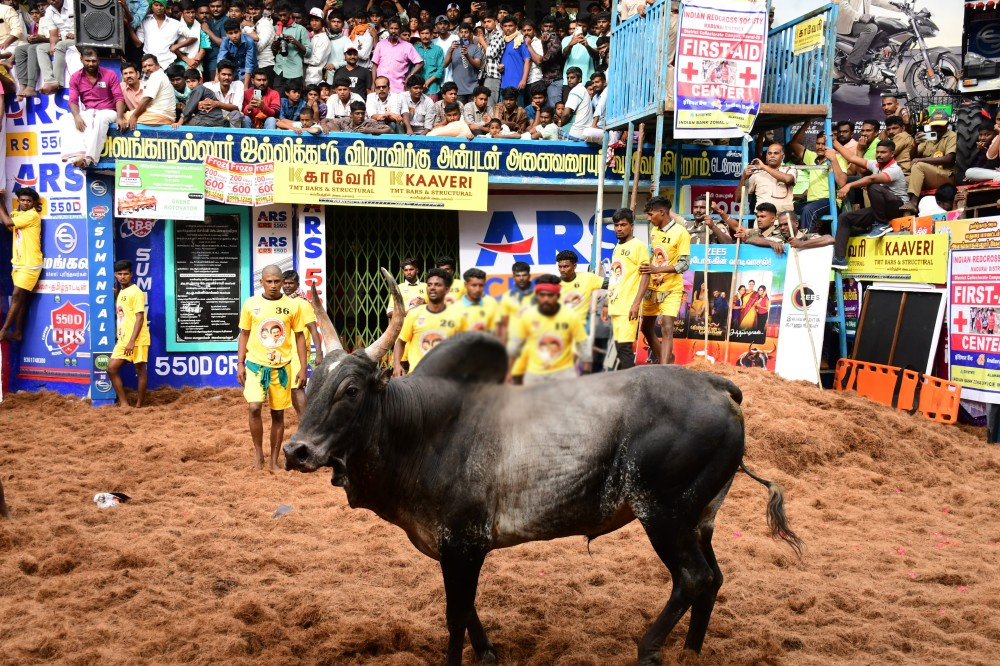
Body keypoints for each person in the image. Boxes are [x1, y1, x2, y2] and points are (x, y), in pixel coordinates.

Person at [237, 265, 307, 471]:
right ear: (261, 282)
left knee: (278, 415)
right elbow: (244, 334)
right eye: (269, 281)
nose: (274, 286)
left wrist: (303, 368)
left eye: (277, 281)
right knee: (254, 407)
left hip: (282, 369)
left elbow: (300, 337)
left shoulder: (293, 306)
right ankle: (258, 454)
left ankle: (274, 461)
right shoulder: (251, 304)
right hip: (255, 366)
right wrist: (240, 363)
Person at [831, 139, 907, 269]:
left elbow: (872, 179)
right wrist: (834, 142)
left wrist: (849, 185)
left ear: (892, 153)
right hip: (879, 210)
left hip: (897, 207)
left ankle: (881, 224)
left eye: (883, 152)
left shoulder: (894, 169)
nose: (879, 155)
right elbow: (851, 157)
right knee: (845, 218)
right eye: (877, 152)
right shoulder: (876, 165)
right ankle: (839, 259)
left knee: (872, 185)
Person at [506, 274, 589, 384]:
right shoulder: (527, 316)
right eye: (542, 295)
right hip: (535, 377)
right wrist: (507, 373)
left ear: (558, 296)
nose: (546, 299)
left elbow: (582, 344)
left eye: (550, 295)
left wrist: (587, 373)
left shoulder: (570, 316)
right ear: (536, 296)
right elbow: (515, 347)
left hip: (564, 376)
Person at [637, 197, 689, 365]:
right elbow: (655, 255)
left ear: (662, 212)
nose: (649, 218)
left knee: (667, 327)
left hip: (671, 289)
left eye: (651, 214)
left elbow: (684, 264)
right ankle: (666, 359)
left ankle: (665, 369)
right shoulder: (655, 230)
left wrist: (657, 270)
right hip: (652, 287)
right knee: (645, 328)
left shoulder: (681, 232)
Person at [60, 48, 126, 170]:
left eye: (94, 61)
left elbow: (119, 97)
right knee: (65, 118)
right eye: (88, 61)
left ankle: (89, 158)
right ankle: (76, 154)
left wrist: (120, 117)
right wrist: (76, 116)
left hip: (109, 111)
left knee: (98, 116)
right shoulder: (76, 77)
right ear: (82, 60)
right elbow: (73, 101)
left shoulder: (109, 74)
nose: (91, 64)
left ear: (99, 61)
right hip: (89, 111)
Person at [601, 208, 650, 370]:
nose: (619, 229)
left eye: (623, 225)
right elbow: (615, 278)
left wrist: (636, 303)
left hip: (628, 306)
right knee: (615, 348)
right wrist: (607, 303)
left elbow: (645, 275)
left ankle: (633, 386)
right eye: (616, 225)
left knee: (624, 348)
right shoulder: (617, 247)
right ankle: (618, 383)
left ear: (632, 226)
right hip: (616, 305)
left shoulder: (639, 246)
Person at [393, 267, 463, 375]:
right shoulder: (414, 313)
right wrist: (397, 365)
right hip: (417, 378)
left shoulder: (457, 315)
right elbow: (401, 342)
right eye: (429, 285)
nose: (432, 288)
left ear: (447, 290)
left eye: (437, 285)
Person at [108, 260, 151, 408]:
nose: (122, 277)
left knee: (140, 370)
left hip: (137, 339)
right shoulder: (122, 291)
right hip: (123, 339)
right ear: (115, 275)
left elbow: (140, 317)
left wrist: (132, 341)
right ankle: (125, 404)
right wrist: (117, 296)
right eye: (119, 274)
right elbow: (125, 310)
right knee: (111, 369)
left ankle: (139, 405)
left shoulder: (137, 292)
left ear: (131, 274)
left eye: (126, 274)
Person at [0, 189, 42, 342]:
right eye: (22, 200)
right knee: (21, 299)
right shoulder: (19, 215)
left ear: (33, 203)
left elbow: (7, 222)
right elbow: (8, 223)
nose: (25, 203)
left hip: (30, 264)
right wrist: (2, 202)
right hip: (18, 264)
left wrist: (0, 202)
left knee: (17, 296)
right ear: (18, 201)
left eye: (29, 201)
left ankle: (4, 330)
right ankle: (17, 332)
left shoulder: (32, 215)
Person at [281, 270, 323, 416]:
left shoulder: (303, 304)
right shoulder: (283, 302)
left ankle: (306, 424)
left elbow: (314, 331)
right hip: (285, 354)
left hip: (299, 355)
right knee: (292, 391)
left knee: (297, 389)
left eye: (290, 283)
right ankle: (303, 421)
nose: (287, 286)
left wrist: (319, 353)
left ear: (297, 284)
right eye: (285, 283)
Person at [900, 109, 957, 213]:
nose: (937, 129)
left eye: (940, 126)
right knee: (903, 179)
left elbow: (949, 159)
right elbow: (913, 157)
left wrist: (923, 160)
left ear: (947, 124)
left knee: (919, 165)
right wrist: (915, 144)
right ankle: (903, 210)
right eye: (935, 126)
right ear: (930, 125)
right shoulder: (929, 137)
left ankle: (914, 202)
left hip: (946, 176)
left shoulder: (952, 136)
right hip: (930, 176)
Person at [555, 249, 606, 329]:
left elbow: (615, 285)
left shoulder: (588, 278)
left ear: (574, 266)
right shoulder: (554, 284)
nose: (562, 270)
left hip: (582, 329)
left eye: (566, 266)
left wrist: (606, 305)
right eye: (560, 266)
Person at [739, 143, 797, 213]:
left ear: (783, 157)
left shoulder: (789, 170)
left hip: (784, 220)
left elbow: (788, 179)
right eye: (769, 153)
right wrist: (743, 178)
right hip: (762, 220)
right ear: (766, 156)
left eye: (776, 153)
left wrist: (763, 167)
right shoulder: (758, 174)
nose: (772, 156)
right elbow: (738, 198)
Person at [372, 16, 423, 93]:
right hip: (380, 88)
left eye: (396, 29)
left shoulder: (407, 46)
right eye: (391, 28)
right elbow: (374, 65)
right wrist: (373, 83)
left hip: (397, 88)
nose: (393, 31)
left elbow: (420, 63)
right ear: (388, 29)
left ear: (399, 30)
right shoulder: (380, 45)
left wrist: (410, 76)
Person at [126, 54, 178, 128]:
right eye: (144, 66)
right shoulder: (158, 76)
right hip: (160, 115)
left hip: (160, 115)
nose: (147, 68)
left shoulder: (156, 76)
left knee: (124, 119)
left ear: (158, 65)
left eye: (150, 65)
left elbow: (147, 99)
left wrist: (134, 116)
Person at [271, 3, 312, 95]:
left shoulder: (300, 29)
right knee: (277, 100)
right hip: (279, 70)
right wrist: (276, 44)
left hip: (295, 71)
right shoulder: (275, 28)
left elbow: (308, 53)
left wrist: (296, 42)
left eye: (284, 15)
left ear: (290, 13)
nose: (282, 18)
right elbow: (272, 50)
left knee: (294, 101)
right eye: (280, 15)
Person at [203, 59, 246, 127]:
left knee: (236, 114)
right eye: (223, 74)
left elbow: (237, 108)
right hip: (214, 120)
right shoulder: (208, 86)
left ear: (233, 76)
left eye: (229, 75)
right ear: (218, 74)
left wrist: (217, 104)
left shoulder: (238, 85)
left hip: (232, 120)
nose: (226, 77)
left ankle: (234, 136)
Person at [217, 17, 257, 88]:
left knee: (247, 93)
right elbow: (220, 60)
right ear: (227, 34)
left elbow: (249, 65)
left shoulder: (249, 42)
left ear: (240, 31)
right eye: (231, 33)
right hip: (233, 73)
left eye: (236, 32)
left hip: (248, 73)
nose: (234, 36)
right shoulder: (225, 41)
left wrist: (245, 86)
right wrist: (216, 80)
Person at [457, 268, 499, 333]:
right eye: (474, 285)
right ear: (466, 285)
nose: (477, 289)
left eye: (481, 285)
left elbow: (496, 331)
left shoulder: (492, 303)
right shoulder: (455, 308)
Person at [449, 22, 483, 102]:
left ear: (471, 34)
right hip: (458, 89)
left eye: (466, 32)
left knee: (472, 112)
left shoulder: (475, 48)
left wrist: (467, 55)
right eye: (461, 32)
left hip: (472, 89)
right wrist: (451, 50)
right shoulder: (453, 47)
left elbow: (478, 65)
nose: (463, 35)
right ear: (458, 34)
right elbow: (445, 64)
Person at [478, 10, 504, 104]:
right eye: (485, 22)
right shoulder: (485, 36)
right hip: (484, 75)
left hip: (493, 75)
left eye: (489, 21)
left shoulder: (498, 35)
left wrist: (482, 42)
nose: (486, 24)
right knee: (484, 104)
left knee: (491, 104)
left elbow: (492, 54)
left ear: (496, 22)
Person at [414, 23, 444, 99]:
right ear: (419, 35)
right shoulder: (414, 48)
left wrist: (428, 82)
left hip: (432, 88)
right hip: (416, 87)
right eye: (422, 33)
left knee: (431, 110)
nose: (425, 36)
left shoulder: (438, 49)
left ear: (431, 35)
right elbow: (411, 68)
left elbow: (440, 69)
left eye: (427, 33)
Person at [327, 99, 392, 133]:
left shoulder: (369, 123)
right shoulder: (346, 120)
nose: (360, 116)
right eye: (357, 113)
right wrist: (324, 124)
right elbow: (328, 121)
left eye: (362, 113)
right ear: (351, 114)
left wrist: (370, 130)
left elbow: (389, 130)